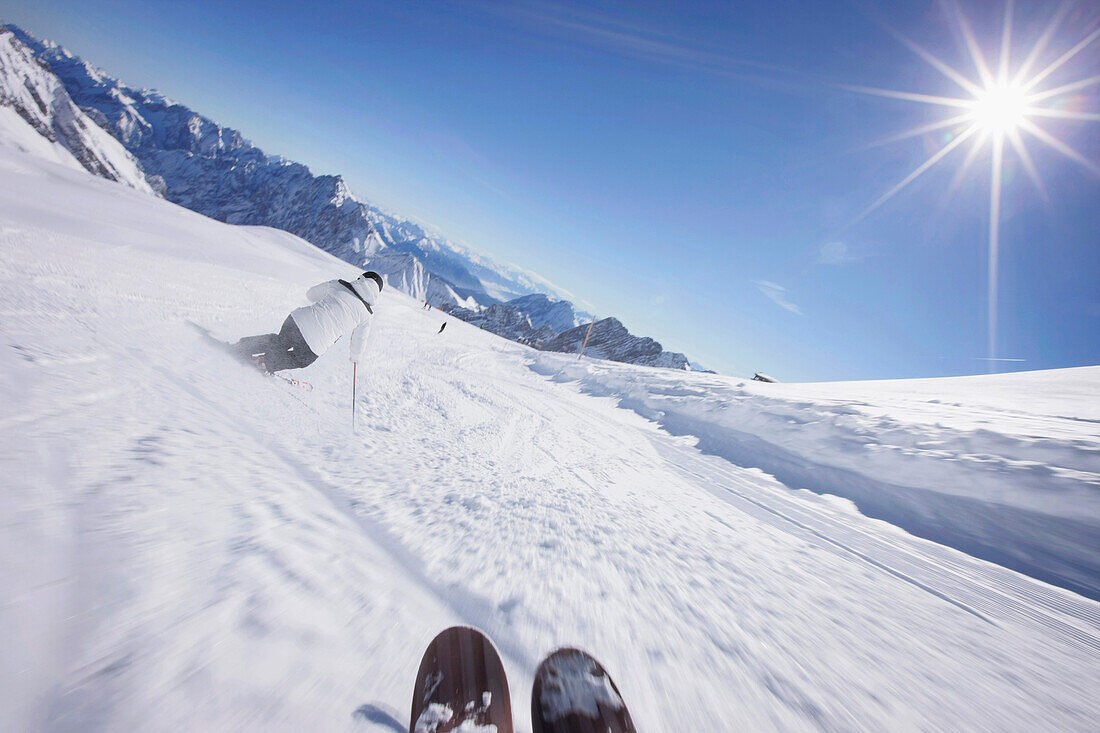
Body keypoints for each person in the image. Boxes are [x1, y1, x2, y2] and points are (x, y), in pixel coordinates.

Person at [234, 271, 383, 372]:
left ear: (360, 279)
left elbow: (311, 294)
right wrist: (355, 357)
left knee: (280, 341)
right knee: (300, 359)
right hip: (315, 343)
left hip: (297, 320)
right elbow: (359, 339)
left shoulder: (338, 284)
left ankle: (243, 346)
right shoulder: (366, 314)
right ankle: (265, 362)